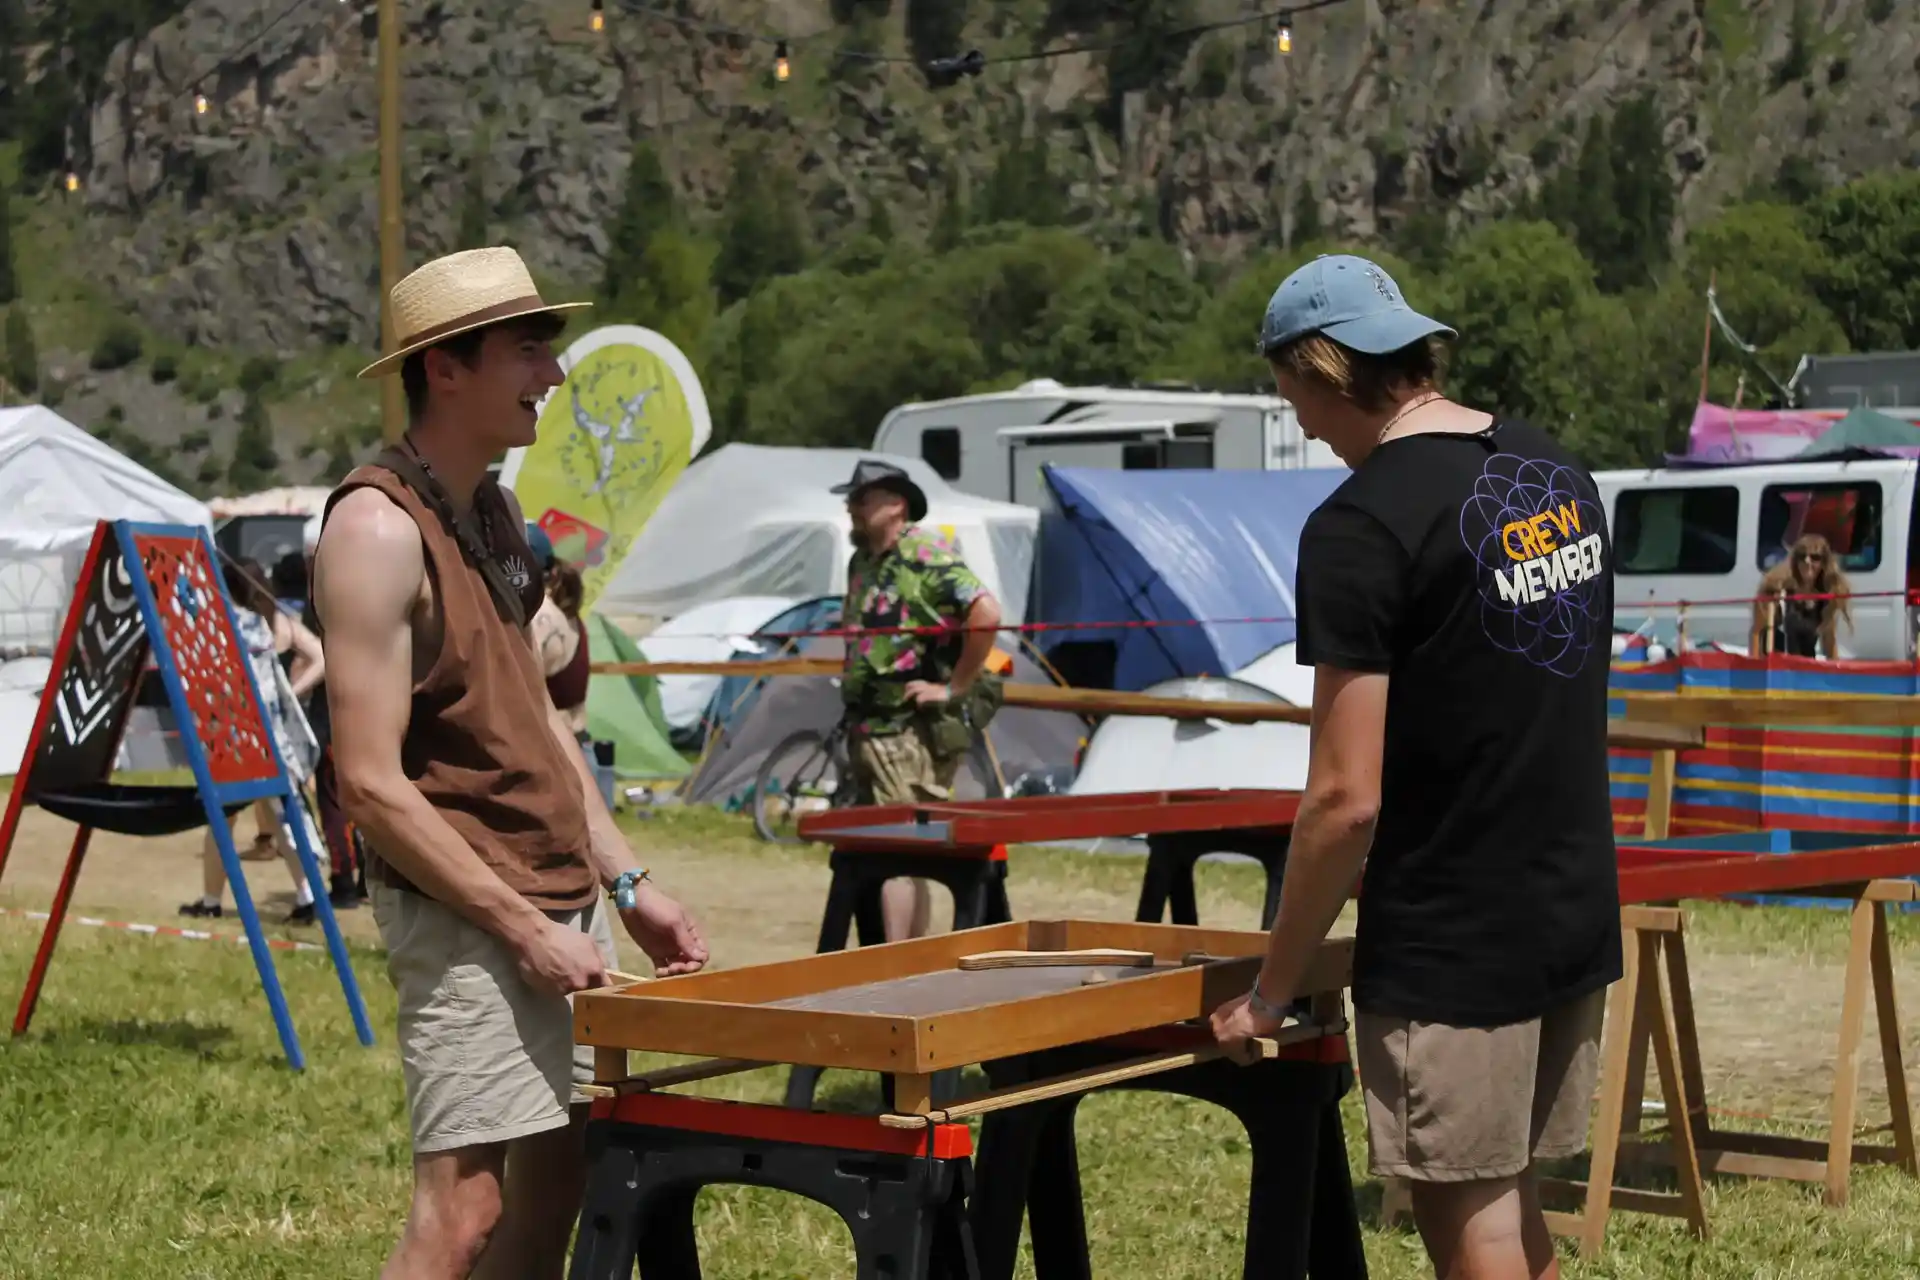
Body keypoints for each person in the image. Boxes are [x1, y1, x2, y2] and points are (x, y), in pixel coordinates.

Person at [1207, 255, 1620, 1280]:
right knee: (1511, 1196)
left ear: (1323, 369)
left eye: (1291, 393)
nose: (1299, 424)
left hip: (1454, 938)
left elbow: (1345, 800)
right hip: (1566, 905)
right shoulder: (1554, 470)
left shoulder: (1360, 525)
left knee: (1471, 1219)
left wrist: (1272, 987)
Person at [313, 246, 708, 1280]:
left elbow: (540, 721)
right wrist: (527, 928)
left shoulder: (491, 510)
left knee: (561, 1178)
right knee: (461, 1214)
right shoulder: (373, 527)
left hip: (553, 902)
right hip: (469, 914)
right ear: (445, 366)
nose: (557, 374)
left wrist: (627, 880)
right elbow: (370, 783)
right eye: (530, 348)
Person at [833, 458, 1002, 941]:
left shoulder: (926, 555)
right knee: (893, 851)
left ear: (896, 505)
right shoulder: (862, 560)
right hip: (867, 727)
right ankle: (904, 955)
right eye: (851, 499)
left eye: (861, 498)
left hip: (910, 731)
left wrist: (955, 687)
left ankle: (897, 961)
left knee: (897, 852)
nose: (852, 508)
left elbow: (986, 614)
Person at [179, 558, 329, 925]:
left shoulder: (227, 624)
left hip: (234, 735)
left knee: (223, 822)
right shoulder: (273, 621)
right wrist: (289, 693)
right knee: (285, 818)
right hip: (271, 735)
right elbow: (322, 656)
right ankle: (308, 896)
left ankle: (212, 899)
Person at [527, 526, 592, 745]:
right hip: (576, 743)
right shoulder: (563, 610)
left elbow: (523, 693)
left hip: (559, 752)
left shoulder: (538, 616)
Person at [1751, 533, 1851, 658]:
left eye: (1815, 557)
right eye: (1801, 556)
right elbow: (1756, 633)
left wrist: (1836, 674)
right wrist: (1753, 670)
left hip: (1805, 670)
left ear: (1824, 563)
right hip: (1776, 668)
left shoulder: (1825, 599)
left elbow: (1829, 642)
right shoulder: (1778, 592)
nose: (1807, 561)